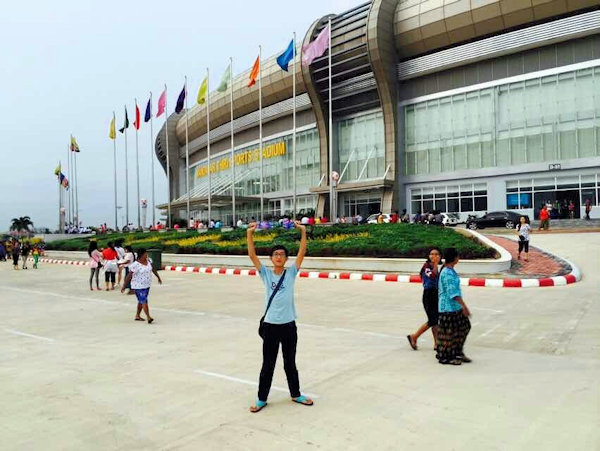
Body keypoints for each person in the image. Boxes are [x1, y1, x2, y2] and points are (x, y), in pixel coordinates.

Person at [247, 220, 313, 413]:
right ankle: (261, 399)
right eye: (275, 254)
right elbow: (251, 255)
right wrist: (250, 233)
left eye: (282, 255)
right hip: (270, 326)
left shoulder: (291, 273)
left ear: (285, 259)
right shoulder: (266, 275)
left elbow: (302, 252)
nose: (278, 257)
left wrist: (303, 232)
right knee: (268, 364)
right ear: (271, 258)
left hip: (289, 326)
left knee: (290, 362)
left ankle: (295, 393)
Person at [437, 248, 471, 365]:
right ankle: (445, 357)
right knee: (448, 333)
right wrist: (464, 306)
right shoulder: (447, 273)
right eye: (458, 256)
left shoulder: (450, 270)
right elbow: (453, 293)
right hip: (447, 307)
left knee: (464, 327)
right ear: (455, 258)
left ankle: (457, 351)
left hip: (455, 307)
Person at [407, 248, 441, 351]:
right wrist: (435, 264)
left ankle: (436, 343)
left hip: (435, 294)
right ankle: (414, 336)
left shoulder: (434, 267)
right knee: (433, 320)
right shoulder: (427, 266)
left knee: (435, 320)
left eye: (436, 254)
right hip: (428, 295)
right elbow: (433, 275)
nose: (433, 256)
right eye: (431, 254)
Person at [122, 248, 162, 323]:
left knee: (141, 301)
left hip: (146, 285)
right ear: (141, 255)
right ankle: (148, 317)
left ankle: (137, 315)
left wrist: (158, 277)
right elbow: (129, 276)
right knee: (144, 300)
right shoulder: (135, 265)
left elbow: (153, 269)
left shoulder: (149, 261)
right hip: (138, 286)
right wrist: (124, 286)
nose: (146, 255)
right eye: (145, 254)